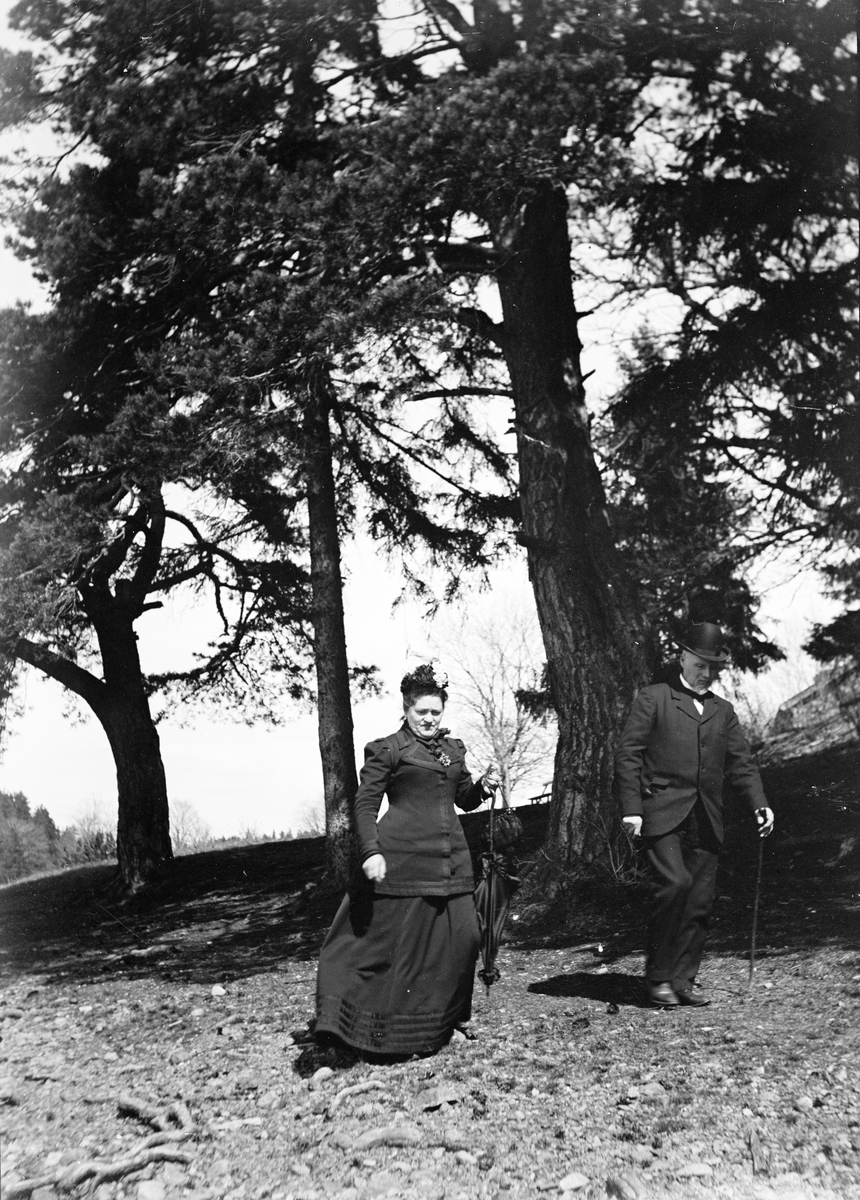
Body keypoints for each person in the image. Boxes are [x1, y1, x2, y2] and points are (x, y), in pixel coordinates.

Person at [315, 662, 499, 1056]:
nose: (429, 719)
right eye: (422, 711)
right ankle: (359, 1028)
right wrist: (371, 851)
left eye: (436, 711)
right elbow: (365, 805)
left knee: (464, 939)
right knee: (384, 948)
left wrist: (483, 787)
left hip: (452, 862)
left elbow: (463, 798)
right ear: (406, 707)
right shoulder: (388, 749)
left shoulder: (453, 750)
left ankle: (442, 1021)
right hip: (401, 862)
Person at [615, 621, 774, 1008]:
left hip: (706, 815)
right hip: (660, 809)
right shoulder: (655, 698)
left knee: (699, 899)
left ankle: (682, 980)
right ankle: (657, 979)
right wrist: (632, 809)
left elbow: (741, 764)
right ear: (682, 658)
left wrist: (759, 803)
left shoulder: (724, 711)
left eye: (713, 667)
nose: (706, 673)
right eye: (700, 664)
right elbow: (628, 755)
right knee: (675, 884)